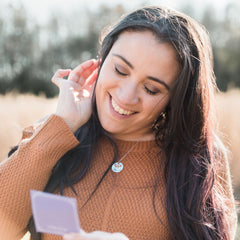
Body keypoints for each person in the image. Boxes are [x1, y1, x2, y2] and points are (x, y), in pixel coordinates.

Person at [0, 5, 237, 240]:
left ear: (175, 99)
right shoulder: (52, 133)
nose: (125, 96)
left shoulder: (200, 158)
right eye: (120, 70)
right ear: (100, 61)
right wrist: (62, 126)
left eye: (151, 89)